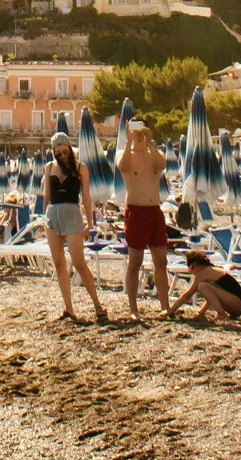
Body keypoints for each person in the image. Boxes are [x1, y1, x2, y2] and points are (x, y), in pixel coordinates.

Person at [43, 131, 110, 326]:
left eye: (64, 152)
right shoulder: (48, 167)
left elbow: (86, 197)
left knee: (79, 262)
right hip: (53, 214)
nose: (61, 156)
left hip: (72, 213)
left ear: (69, 149)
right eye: (57, 153)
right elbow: (47, 195)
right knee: (59, 264)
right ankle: (68, 309)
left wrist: (90, 221)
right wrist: (42, 217)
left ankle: (97, 305)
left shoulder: (81, 167)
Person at [118, 120, 170, 318]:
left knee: (161, 261)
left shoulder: (154, 155)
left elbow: (161, 165)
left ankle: (164, 305)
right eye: (135, 131)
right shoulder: (125, 155)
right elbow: (123, 167)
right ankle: (133, 308)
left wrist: (150, 143)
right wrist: (128, 142)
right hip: (136, 211)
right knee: (135, 261)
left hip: (154, 210)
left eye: (141, 131)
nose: (138, 135)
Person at [169, 248, 241, 323]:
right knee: (205, 287)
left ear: (195, 264)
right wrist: (201, 312)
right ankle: (220, 313)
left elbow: (187, 295)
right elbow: (212, 296)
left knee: (202, 286)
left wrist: (170, 310)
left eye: (189, 268)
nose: (190, 272)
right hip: (237, 304)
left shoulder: (203, 273)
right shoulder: (211, 269)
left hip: (237, 303)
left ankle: (221, 314)